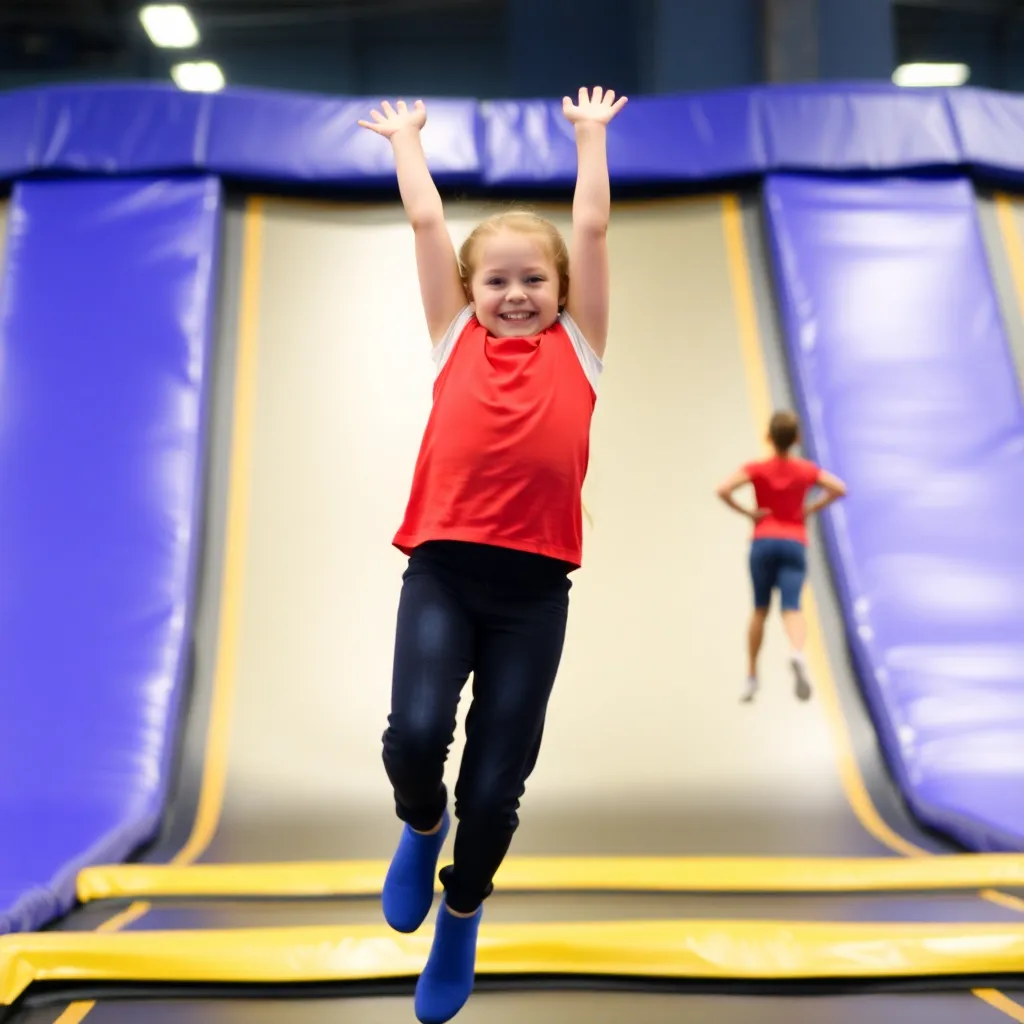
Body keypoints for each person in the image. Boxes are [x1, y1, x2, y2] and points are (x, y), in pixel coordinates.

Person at [358, 86, 627, 1024]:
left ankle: (463, 909)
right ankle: (417, 825)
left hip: (534, 591)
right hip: (441, 571)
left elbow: (589, 228)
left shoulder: (581, 348)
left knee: (498, 785)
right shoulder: (450, 342)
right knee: (417, 736)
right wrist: (407, 144)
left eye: (534, 282)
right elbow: (427, 220)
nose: (516, 295)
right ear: (468, 295)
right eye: (497, 282)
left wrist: (588, 139)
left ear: (561, 293)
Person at [715, 410, 846, 705]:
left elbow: (723, 489)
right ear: (797, 438)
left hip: (763, 539)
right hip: (794, 541)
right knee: (792, 607)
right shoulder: (806, 471)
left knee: (760, 609)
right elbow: (839, 488)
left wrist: (749, 513)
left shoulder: (757, 468)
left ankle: (751, 676)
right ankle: (797, 653)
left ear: (769, 437)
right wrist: (810, 508)